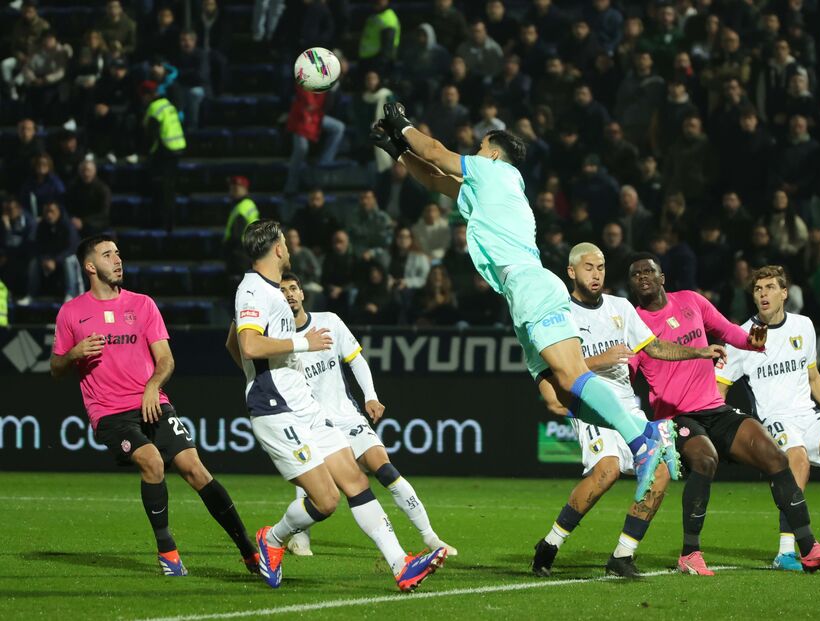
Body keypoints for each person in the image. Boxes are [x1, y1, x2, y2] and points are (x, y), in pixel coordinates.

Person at [372, 102, 678, 503]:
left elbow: (434, 152)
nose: (474, 152)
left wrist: (402, 124)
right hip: (520, 292)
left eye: (480, 146)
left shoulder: (495, 171)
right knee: (557, 396)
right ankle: (646, 434)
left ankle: (643, 440)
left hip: (531, 284)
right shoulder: (488, 190)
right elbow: (433, 177)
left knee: (571, 375)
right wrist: (396, 150)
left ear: (493, 154)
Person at [228, 219, 446, 590]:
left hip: (305, 405)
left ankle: (401, 565)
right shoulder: (252, 291)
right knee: (326, 501)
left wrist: (264, 372)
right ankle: (273, 538)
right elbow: (247, 345)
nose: (288, 248)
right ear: (278, 248)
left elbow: (232, 343)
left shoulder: (271, 291)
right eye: (285, 243)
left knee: (356, 481)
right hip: (277, 410)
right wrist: (288, 357)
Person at [626, 253, 820, 574]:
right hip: (675, 416)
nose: (643, 276)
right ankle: (689, 553)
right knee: (705, 460)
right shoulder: (633, 324)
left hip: (714, 408)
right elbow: (628, 373)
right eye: (636, 274)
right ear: (631, 285)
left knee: (775, 457)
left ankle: (809, 547)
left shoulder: (690, 301)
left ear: (662, 278)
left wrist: (750, 343)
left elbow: (728, 330)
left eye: (649, 270)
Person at [50, 234, 258, 577]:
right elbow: (56, 369)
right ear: (90, 266)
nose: (117, 259)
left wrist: (152, 387)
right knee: (152, 461)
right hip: (110, 413)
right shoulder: (71, 313)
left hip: (153, 403)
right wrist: (74, 354)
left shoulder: (142, 304)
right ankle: (168, 552)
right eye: (107, 255)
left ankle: (249, 551)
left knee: (195, 469)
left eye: (118, 253)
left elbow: (166, 359)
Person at [532, 243, 727, 578]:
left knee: (660, 469)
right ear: (571, 272)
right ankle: (550, 543)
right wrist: (600, 360)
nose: (596, 274)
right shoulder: (560, 315)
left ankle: (623, 554)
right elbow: (557, 373)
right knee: (607, 470)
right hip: (592, 404)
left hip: (627, 404)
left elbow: (655, 347)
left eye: (601, 267)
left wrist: (699, 351)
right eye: (588, 267)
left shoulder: (620, 307)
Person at [257, 272, 455, 557]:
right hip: (311, 423)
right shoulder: (279, 342)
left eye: (293, 288)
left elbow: (356, 359)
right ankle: (297, 536)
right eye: (282, 291)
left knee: (385, 470)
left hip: (347, 418)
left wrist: (370, 396)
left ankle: (430, 537)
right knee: (314, 483)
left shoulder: (329, 321)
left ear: (302, 293)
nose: (288, 294)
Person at [717, 265, 820, 570]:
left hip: (807, 415)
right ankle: (785, 551)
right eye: (758, 289)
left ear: (784, 293)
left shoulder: (803, 326)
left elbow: (814, 379)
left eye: (770, 287)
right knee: (797, 461)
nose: (763, 294)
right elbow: (718, 388)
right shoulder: (741, 338)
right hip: (774, 420)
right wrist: (719, 430)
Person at [141, 80, 185, 232]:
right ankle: (169, 222)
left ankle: (164, 223)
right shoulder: (167, 104)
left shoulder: (154, 108)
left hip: (164, 153)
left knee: (163, 190)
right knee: (169, 189)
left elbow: (151, 136)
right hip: (176, 149)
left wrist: (147, 155)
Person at [222, 176, 260, 277]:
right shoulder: (247, 204)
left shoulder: (242, 207)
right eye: (231, 188)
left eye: (236, 188)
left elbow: (236, 235)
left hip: (239, 254)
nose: (232, 191)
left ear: (245, 189)